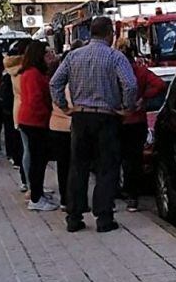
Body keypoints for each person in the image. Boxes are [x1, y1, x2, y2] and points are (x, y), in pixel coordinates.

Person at [50, 17, 139, 233]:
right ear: (109, 33)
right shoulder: (115, 57)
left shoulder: (73, 56)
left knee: (78, 167)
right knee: (106, 167)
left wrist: (64, 106)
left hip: (80, 117)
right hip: (107, 117)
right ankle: (104, 217)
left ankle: (74, 216)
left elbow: (55, 82)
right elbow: (130, 84)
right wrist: (127, 107)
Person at [121, 55, 167, 212]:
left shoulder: (114, 73)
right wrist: (144, 98)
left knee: (117, 159)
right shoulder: (140, 72)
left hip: (118, 120)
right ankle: (133, 197)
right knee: (134, 159)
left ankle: (120, 193)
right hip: (137, 121)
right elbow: (160, 85)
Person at [17, 41, 58, 212]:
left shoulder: (31, 72)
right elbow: (36, 100)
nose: (50, 56)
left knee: (38, 159)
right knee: (37, 161)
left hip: (31, 120)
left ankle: (38, 193)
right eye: (47, 53)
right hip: (35, 121)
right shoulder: (33, 74)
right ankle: (36, 198)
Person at [5, 38, 33, 191]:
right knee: (28, 150)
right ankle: (30, 183)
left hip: (19, 109)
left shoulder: (14, 68)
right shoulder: (24, 70)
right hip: (26, 111)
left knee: (26, 149)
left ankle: (28, 182)